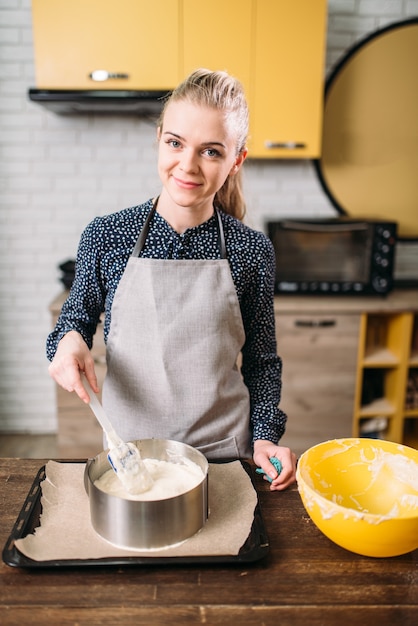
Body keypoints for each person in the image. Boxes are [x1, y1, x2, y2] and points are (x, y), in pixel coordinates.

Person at [47, 68, 297, 491]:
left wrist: (265, 436)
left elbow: (261, 361)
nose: (188, 164)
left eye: (211, 152)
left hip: (223, 457)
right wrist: (69, 340)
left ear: (237, 160)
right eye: (175, 143)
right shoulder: (108, 235)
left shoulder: (251, 250)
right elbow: (75, 318)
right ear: (159, 138)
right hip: (131, 455)